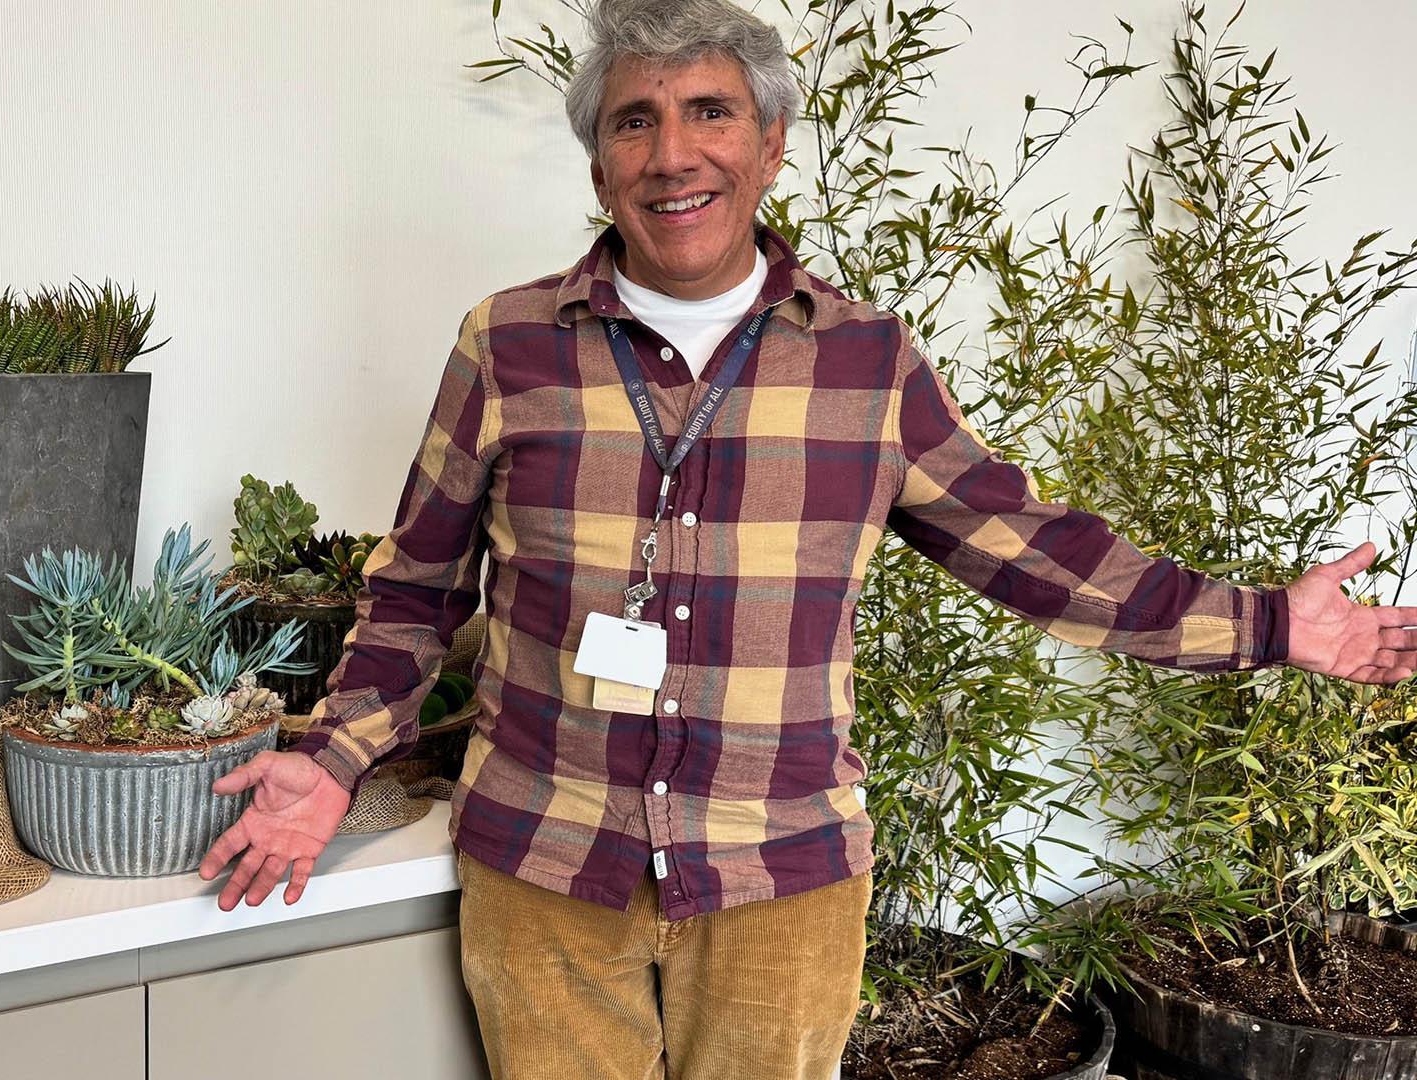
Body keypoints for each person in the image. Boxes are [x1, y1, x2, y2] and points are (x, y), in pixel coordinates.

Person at [196, 1, 1417, 1076]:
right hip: (544, 864)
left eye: (710, 112)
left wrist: (1268, 623)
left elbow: (1033, 551)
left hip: (782, 874)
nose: (673, 154)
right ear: (598, 162)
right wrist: (334, 759)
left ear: (770, 146)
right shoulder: (506, 344)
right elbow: (415, 584)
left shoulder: (867, 362)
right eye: (634, 121)